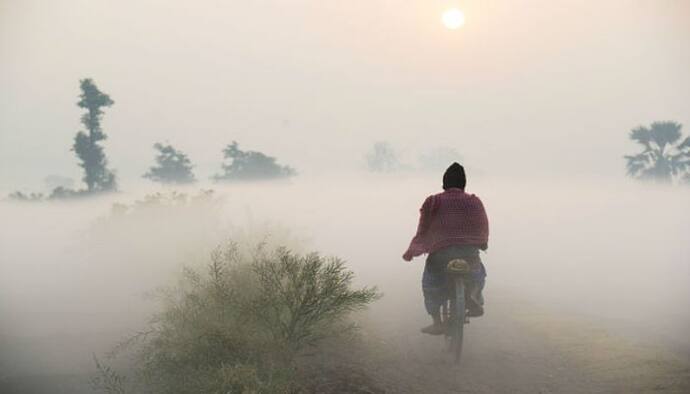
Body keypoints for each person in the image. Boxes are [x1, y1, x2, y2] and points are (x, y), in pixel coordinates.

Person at [402, 162, 489, 335]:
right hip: (468, 253)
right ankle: (472, 295)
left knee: (431, 280)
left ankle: (437, 322)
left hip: (441, 254)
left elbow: (423, 229)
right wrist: (482, 243)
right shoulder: (474, 202)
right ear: (464, 184)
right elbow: (483, 225)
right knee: (478, 272)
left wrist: (413, 249)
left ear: (444, 184)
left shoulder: (433, 201)